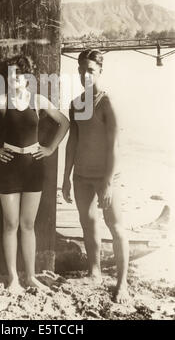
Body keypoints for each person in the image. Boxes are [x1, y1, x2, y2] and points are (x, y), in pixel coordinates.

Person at [0, 55, 69, 293]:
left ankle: (31, 276)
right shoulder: (2, 101)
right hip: (9, 166)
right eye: (10, 74)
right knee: (10, 223)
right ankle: (13, 278)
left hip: (33, 167)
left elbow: (64, 123)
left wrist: (50, 148)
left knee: (27, 224)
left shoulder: (38, 101)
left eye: (18, 74)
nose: (13, 78)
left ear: (28, 77)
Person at [62, 49, 129, 303]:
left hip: (106, 177)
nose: (84, 75)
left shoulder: (107, 102)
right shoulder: (76, 104)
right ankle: (94, 272)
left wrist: (108, 182)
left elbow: (115, 146)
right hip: (81, 176)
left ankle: (122, 284)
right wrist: (65, 176)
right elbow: (72, 141)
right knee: (88, 224)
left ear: (100, 70)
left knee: (116, 227)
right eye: (81, 70)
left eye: (90, 70)